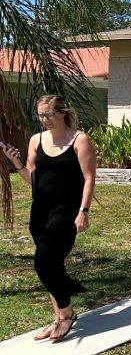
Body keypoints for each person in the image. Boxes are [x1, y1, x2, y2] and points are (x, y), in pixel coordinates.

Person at [0, 94, 96, 342]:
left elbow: (89, 179)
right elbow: (34, 180)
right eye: (41, 115)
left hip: (67, 211)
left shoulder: (79, 140)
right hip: (40, 211)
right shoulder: (36, 140)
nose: (45, 120)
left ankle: (67, 313)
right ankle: (59, 318)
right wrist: (17, 163)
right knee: (52, 265)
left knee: (43, 263)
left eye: (49, 114)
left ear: (62, 112)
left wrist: (83, 212)